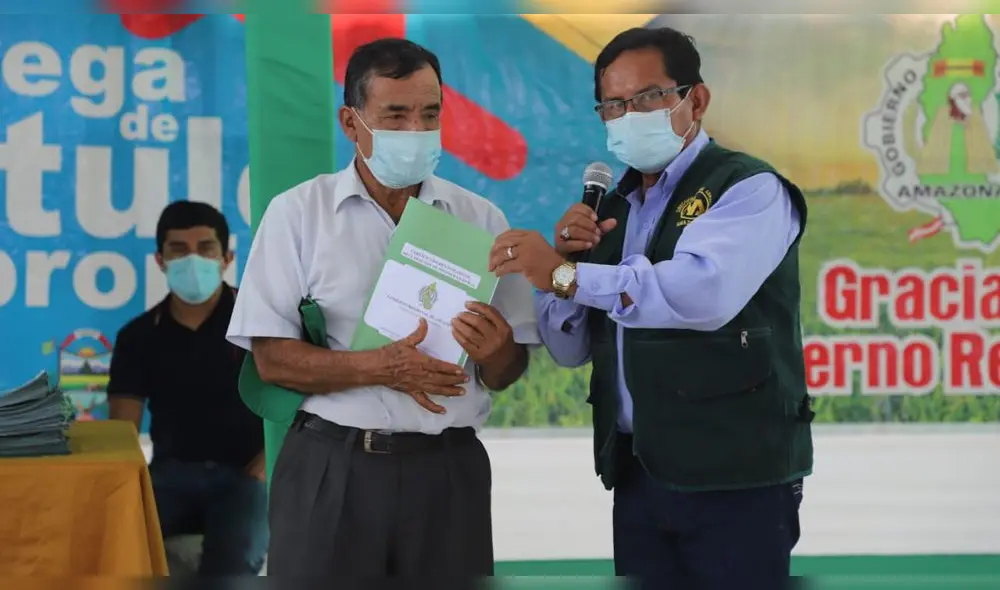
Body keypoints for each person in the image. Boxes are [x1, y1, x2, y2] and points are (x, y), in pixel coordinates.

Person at [489, 27, 812, 588]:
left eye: (648, 98)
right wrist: (565, 268)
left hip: (738, 476)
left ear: (696, 100)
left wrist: (565, 276)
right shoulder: (613, 207)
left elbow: (701, 293)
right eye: (613, 105)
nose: (628, 116)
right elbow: (568, 349)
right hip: (640, 474)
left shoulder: (747, 188)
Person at [226, 38, 538, 578]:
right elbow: (272, 360)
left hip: (447, 473)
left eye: (430, 114)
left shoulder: (481, 219)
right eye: (395, 115)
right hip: (333, 466)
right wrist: (382, 367)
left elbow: (507, 371)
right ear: (351, 123)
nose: (416, 131)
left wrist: (498, 350)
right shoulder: (299, 214)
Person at [106, 201, 268, 576]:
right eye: (178, 249)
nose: (192, 259)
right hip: (168, 478)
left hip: (246, 477)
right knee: (115, 552)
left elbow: (297, 404)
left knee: (231, 567)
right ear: (160, 261)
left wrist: (266, 465)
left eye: (205, 248)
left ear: (226, 258)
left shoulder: (260, 324)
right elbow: (121, 432)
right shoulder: (138, 336)